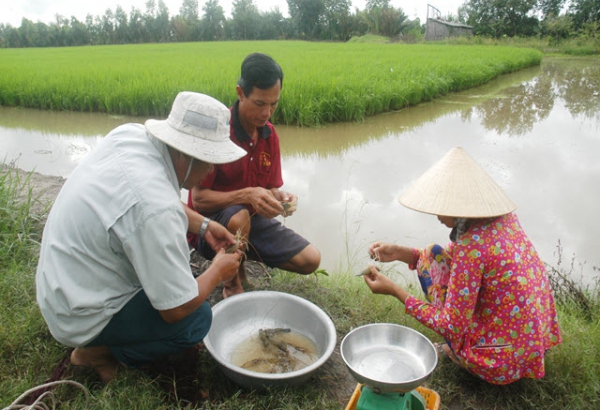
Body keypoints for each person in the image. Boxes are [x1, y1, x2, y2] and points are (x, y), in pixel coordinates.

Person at [36, 91, 247, 383]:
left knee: (173, 271)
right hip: (80, 311)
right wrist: (217, 271)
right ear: (185, 154)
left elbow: (147, 199)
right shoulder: (154, 208)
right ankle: (96, 352)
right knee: (196, 319)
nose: (212, 170)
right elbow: (176, 309)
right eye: (209, 161)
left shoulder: (132, 137)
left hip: (61, 284)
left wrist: (204, 225)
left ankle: (101, 338)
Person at [363, 147, 562, 385]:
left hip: (500, 362)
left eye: (442, 208)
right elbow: (450, 259)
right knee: (431, 253)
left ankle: (461, 353)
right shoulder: (503, 220)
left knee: (453, 326)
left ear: (459, 210)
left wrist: (395, 291)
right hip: (531, 343)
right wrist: (399, 253)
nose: (437, 215)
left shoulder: (472, 246)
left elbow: (451, 325)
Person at [185, 53, 321, 298]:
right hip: (210, 228)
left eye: (274, 104)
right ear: (240, 93)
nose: (267, 112)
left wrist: (280, 198)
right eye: (260, 103)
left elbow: (270, 188)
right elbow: (199, 200)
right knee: (239, 216)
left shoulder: (269, 135)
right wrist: (247, 194)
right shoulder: (218, 132)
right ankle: (231, 283)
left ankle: (244, 255)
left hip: (250, 223)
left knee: (311, 260)